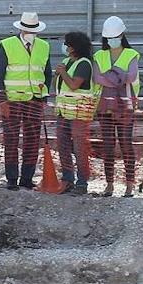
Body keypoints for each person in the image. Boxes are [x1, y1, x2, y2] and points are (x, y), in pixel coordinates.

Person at [0, 11, 53, 190]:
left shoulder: (44, 46)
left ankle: (26, 179)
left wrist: (43, 97)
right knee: (11, 140)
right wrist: (2, 100)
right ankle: (12, 179)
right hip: (12, 100)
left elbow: (47, 73)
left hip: (34, 99)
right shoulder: (6, 45)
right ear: (20, 29)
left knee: (32, 140)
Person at [92, 15, 140, 197]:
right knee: (108, 145)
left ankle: (129, 184)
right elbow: (96, 77)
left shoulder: (131, 54)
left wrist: (109, 78)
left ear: (122, 35)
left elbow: (132, 76)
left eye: (115, 36)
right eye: (109, 38)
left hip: (125, 106)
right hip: (104, 107)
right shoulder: (99, 55)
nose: (112, 40)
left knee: (126, 144)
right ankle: (109, 184)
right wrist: (119, 77)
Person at [52, 30, 96, 196]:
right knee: (62, 146)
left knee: (79, 148)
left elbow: (74, 84)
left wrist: (62, 73)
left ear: (74, 47)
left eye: (67, 44)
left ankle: (82, 182)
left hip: (79, 113)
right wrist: (58, 75)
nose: (65, 46)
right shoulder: (66, 62)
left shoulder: (84, 64)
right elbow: (59, 85)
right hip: (64, 112)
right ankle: (67, 179)